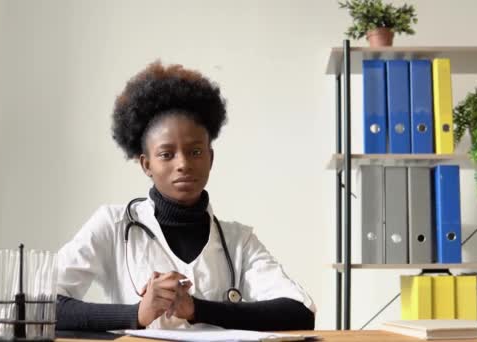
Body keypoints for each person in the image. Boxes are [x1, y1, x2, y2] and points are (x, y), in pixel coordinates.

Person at [56, 61, 315, 331]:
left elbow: (299, 312)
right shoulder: (112, 223)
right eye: (166, 154)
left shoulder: (239, 241)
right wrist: (136, 314)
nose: (183, 164)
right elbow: (41, 305)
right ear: (146, 164)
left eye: (195, 152)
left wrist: (196, 308)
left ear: (210, 158)